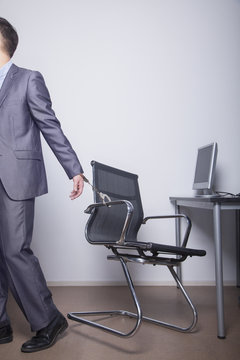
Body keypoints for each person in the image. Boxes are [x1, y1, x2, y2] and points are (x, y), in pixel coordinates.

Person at [0, 18, 84, 353]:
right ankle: (2, 323)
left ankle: (49, 320)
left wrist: (73, 169)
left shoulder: (28, 80)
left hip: (17, 179)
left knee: (14, 251)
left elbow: (50, 126)